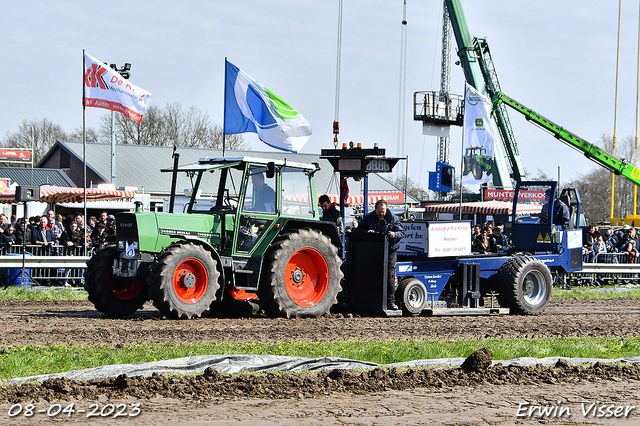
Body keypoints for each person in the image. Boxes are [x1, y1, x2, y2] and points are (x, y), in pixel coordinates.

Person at [355, 199, 405, 310]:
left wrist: (394, 234)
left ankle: (391, 301)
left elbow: (401, 232)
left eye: (383, 211)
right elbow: (360, 228)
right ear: (375, 209)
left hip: (390, 250)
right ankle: (372, 300)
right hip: (374, 250)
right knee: (372, 274)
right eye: (379, 211)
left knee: (390, 274)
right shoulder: (369, 217)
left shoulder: (392, 218)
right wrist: (367, 232)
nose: (381, 213)